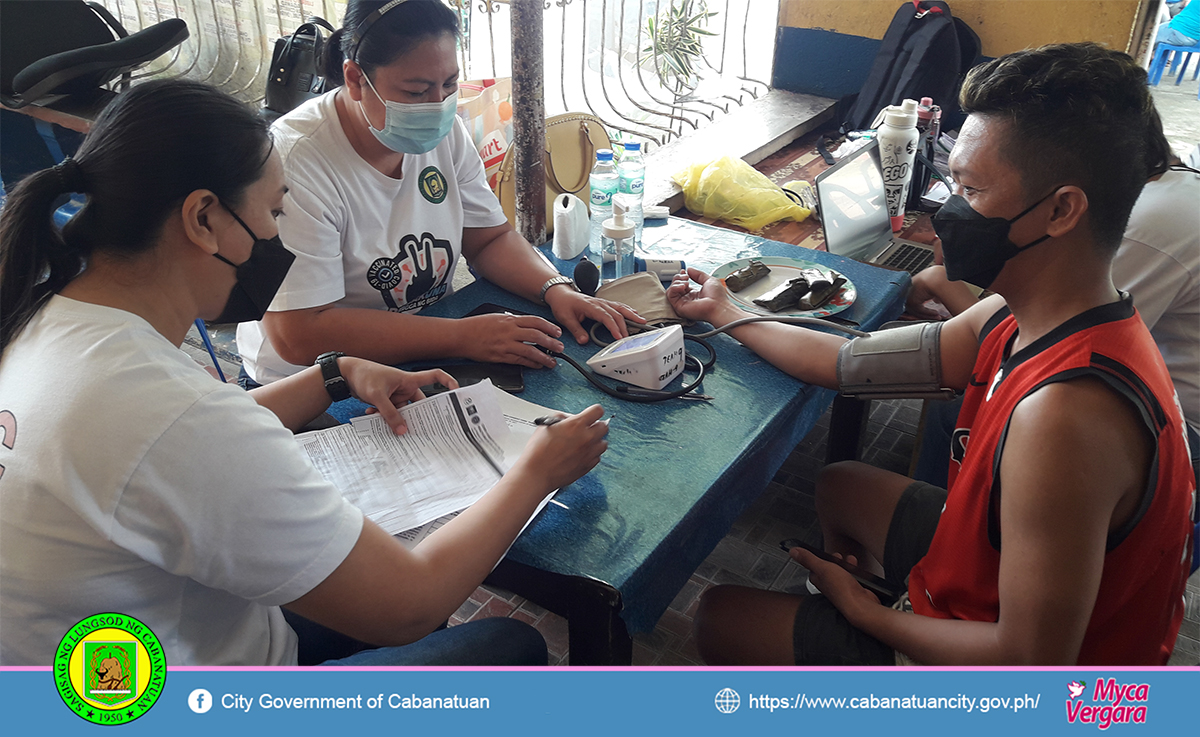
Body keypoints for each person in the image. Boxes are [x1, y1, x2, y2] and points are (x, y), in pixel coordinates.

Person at [0, 79, 611, 666]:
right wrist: (536, 472)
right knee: (510, 647)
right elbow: (406, 607)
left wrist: (334, 375)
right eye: (271, 212)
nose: (275, 237)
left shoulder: (47, 318)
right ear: (202, 219)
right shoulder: (174, 416)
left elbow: (163, 453)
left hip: (104, 658)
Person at [666, 43, 1194, 665]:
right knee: (841, 486)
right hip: (1001, 596)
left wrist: (870, 617)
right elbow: (849, 362)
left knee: (721, 619)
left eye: (970, 189)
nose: (950, 210)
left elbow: (1027, 661)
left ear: (1060, 210)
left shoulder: (1065, 418)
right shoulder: (1025, 314)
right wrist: (730, 314)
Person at [236, 0, 640, 387]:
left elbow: (489, 239)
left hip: (424, 342)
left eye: (449, 85)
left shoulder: (444, 132)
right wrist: (459, 337)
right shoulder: (293, 162)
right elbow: (300, 333)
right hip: (315, 384)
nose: (438, 106)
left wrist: (554, 289)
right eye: (415, 92)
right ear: (356, 79)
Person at [907, 118, 1198, 487]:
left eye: (974, 188)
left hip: (1182, 427)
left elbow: (1030, 347)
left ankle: (947, 522)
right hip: (1151, 383)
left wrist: (947, 285)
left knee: (960, 408)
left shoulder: (1146, 227)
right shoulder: (1173, 184)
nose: (960, 204)